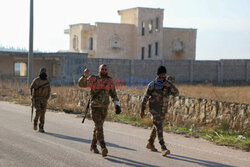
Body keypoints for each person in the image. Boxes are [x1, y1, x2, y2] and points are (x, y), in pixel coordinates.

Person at [78, 64, 121, 157]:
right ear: (99, 70)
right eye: (102, 69)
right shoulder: (93, 79)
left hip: (104, 108)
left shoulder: (110, 81)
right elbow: (81, 84)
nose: (104, 71)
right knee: (99, 126)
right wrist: (85, 75)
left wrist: (117, 105)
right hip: (95, 107)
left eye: (106, 69)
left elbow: (114, 94)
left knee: (97, 127)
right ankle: (103, 147)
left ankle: (93, 146)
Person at [141, 66, 179, 156]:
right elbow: (145, 98)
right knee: (159, 127)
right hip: (154, 109)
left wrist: (170, 86)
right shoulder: (153, 84)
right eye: (161, 74)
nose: (163, 76)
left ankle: (150, 143)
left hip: (163, 110)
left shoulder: (167, 84)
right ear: (158, 74)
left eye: (164, 74)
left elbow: (177, 93)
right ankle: (163, 148)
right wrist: (142, 110)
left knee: (157, 126)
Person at [30, 68, 51, 133]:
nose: (43, 73)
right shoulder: (36, 80)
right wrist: (32, 96)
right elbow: (31, 88)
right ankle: (35, 122)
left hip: (44, 99)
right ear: (40, 72)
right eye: (42, 72)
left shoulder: (47, 81)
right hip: (37, 99)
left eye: (44, 72)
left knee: (43, 114)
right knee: (38, 111)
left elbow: (49, 90)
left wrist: (47, 98)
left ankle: (41, 127)